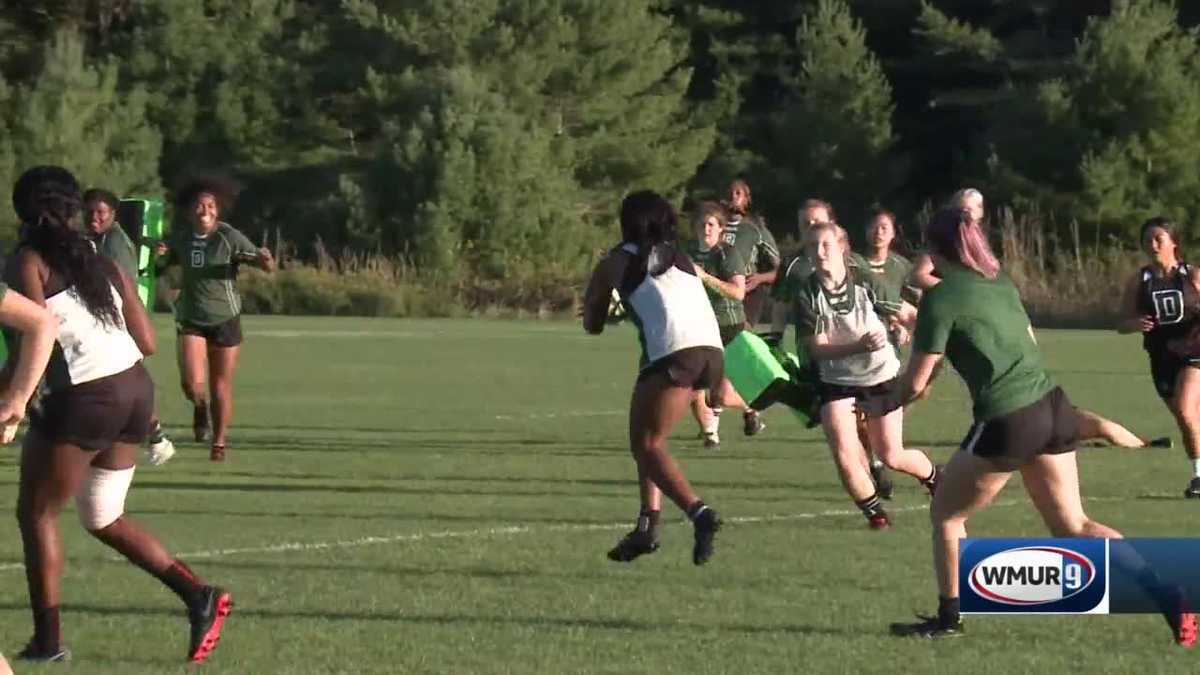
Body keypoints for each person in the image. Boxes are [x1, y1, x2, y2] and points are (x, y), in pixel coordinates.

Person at [889, 207, 1194, 644]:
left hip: (1008, 417)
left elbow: (916, 383)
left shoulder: (941, 297)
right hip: (1052, 405)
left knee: (946, 515)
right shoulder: (1000, 282)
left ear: (938, 250)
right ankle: (1165, 590)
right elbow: (1026, 341)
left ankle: (949, 618)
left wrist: (880, 404)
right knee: (1075, 525)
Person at [7, 166, 232, 663]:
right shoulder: (99, 259)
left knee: (37, 513)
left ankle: (47, 642)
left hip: (86, 397)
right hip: (133, 390)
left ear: (22, 211)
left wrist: (11, 401)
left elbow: (27, 341)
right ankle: (199, 595)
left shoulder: (26, 262)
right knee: (102, 515)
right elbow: (148, 341)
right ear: (72, 209)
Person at [582, 190, 723, 565]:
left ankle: (700, 514)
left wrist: (609, 304)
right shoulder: (683, 258)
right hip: (713, 352)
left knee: (647, 445)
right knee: (646, 439)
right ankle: (646, 527)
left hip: (676, 353)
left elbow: (591, 325)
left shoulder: (615, 261)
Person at [795, 221, 938, 529]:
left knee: (892, 455)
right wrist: (858, 345)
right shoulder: (807, 292)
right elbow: (817, 349)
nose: (819, 252)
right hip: (837, 382)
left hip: (881, 376)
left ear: (842, 249)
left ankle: (936, 479)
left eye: (826, 245)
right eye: (812, 246)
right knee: (845, 453)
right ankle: (876, 515)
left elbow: (907, 314)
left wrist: (916, 334)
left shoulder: (865, 281)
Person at [154, 176, 275, 461]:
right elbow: (159, 267)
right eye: (199, 205)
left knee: (220, 384)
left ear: (217, 210)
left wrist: (265, 259)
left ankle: (219, 442)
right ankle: (199, 407)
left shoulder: (229, 236)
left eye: (210, 205)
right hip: (191, 317)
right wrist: (159, 256)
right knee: (192, 384)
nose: (205, 209)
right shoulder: (181, 238)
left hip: (225, 318)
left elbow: (261, 262)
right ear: (190, 211)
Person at [83, 188, 176, 465]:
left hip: (115, 322)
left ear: (113, 215)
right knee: (123, 381)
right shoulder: (95, 239)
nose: (94, 218)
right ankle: (155, 438)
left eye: (101, 213)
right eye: (88, 212)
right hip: (108, 321)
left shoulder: (115, 244)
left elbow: (119, 286)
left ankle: (155, 438)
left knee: (120, 381)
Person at [1118, 217, 1200, 496]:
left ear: (1173, 242)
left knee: (1186, 411)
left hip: (1194, 353)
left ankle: (1199, 479)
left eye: (1158, 239)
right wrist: (1134, 324)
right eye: (1147, 240)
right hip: (1161, 358)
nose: (1152, 245)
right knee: (1186, 418)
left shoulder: (1193, 276)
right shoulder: (1139, 281)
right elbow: (1122, 322)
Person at [686, 202, 764, 447]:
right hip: (698, 328)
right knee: (693, 387)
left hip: (730, 327)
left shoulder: (727, 254)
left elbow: (738, 292)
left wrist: (706, 277)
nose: (706, 229)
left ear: (720, 229)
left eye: (711, 224)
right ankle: (711, 434)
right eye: (701, 224)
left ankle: (750, 407)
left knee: (720, 393)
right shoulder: (686, 253)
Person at [722, 180, 780, 328]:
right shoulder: (713, 226)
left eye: (738, 193)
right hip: (719, 290)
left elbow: (780, 269)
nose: (733, 196)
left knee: (741, 336)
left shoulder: (755, 229)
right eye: (729, 192)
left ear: (747, 200)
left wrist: (761, 278)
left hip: (748, 294)